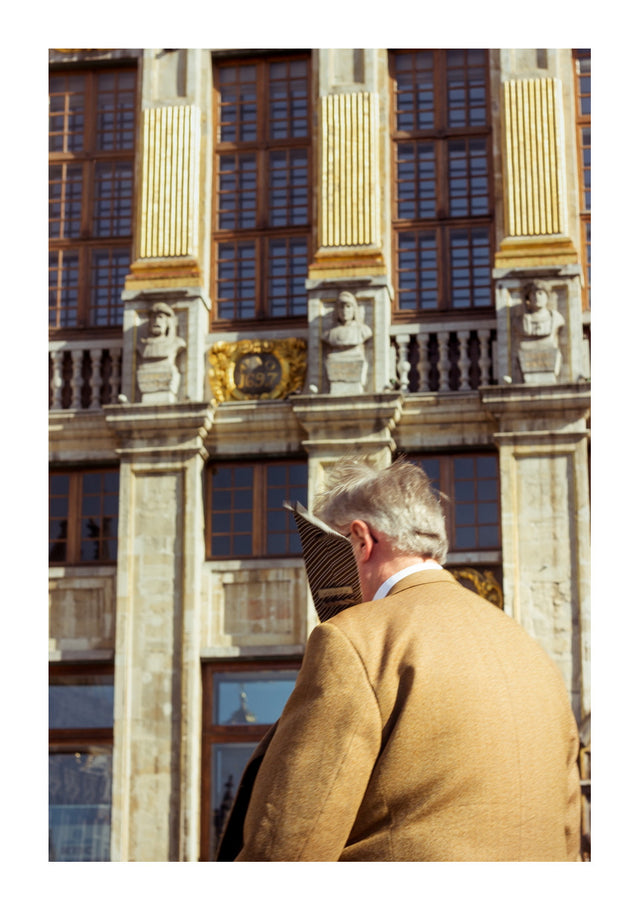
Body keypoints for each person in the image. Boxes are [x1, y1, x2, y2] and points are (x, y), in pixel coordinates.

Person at [217, 457, 581, 862]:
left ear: (360, 539)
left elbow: (291, 843)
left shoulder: (355, 638)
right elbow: (570, 831)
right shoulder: (531, 652)